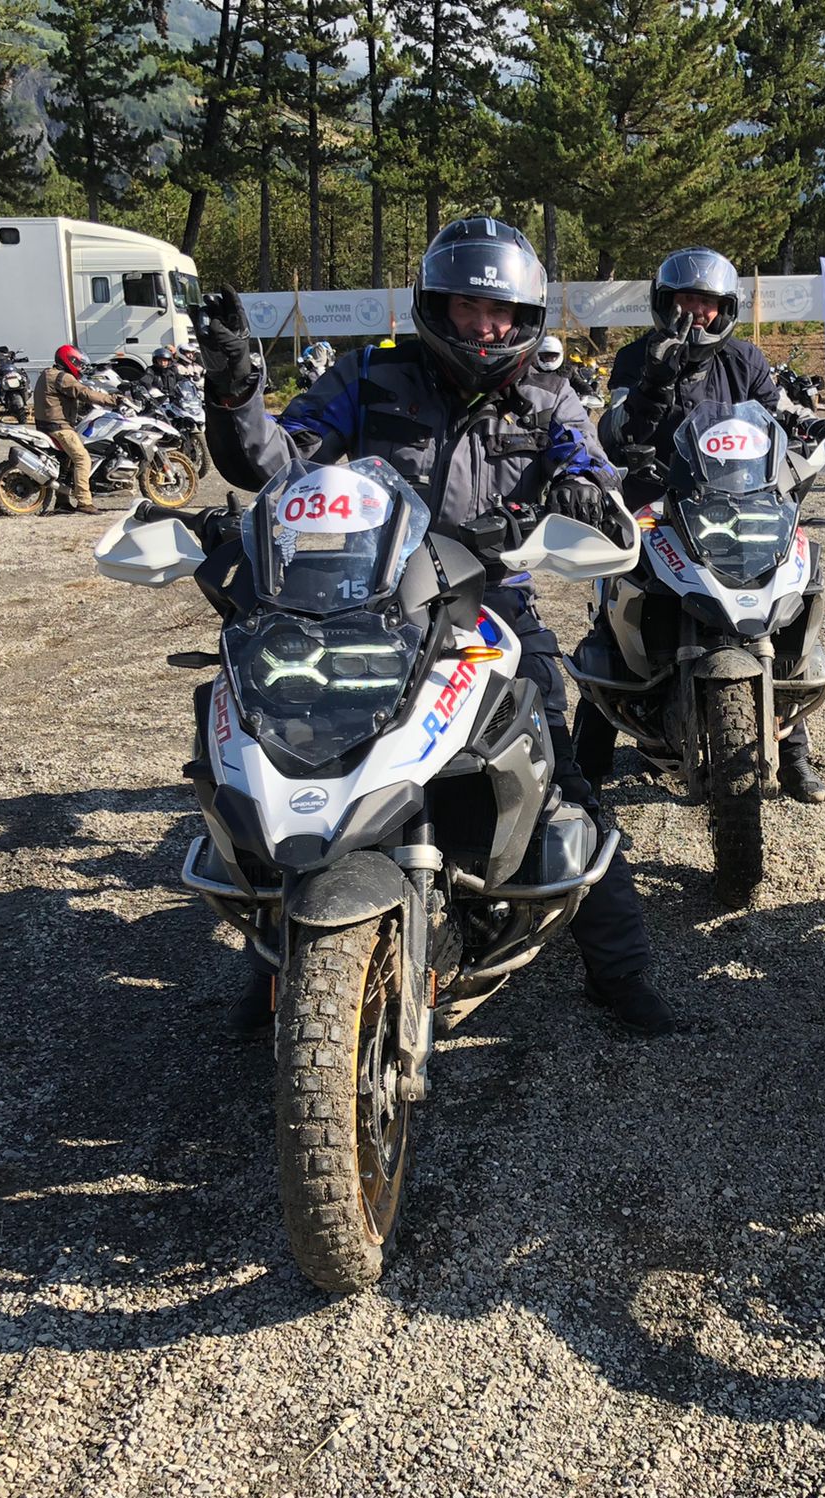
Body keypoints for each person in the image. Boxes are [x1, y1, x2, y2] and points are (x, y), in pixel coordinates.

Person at [197, 216, 680, 1038]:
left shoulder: (546, 395)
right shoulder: (373, 375)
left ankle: (622, 972)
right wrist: (239, 389)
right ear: (436, 306)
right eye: (465, 307)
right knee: (294, 762)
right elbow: (277, 466)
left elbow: (585, 464)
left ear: (524, 321)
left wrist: (589, 492)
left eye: (498, 314)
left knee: (559, 777)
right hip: (367, 602)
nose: (483, 326)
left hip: (491, 603)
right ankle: (280, 960)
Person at [593, 246, 825, 805]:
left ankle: (793, 750)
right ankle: (591, 754)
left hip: (739, 502)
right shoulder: (636, 358)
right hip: (658, 501)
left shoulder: (745, 360)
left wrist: (817, 426)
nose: (694, 313)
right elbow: (616, 427)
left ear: (724, 309)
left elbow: (777, 416)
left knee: (785, 599)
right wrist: (655, 375)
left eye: (705, 302)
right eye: (684, 301)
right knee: (614, 609)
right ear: (664, 304)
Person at [33, 344, 120, 512]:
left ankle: (62, 501)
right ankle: (84, 502)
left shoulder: (48, 373)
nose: (80, 368)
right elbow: (85, 393)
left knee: (66, 462)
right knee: (82, 458)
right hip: (59, 427)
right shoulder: (62, 377)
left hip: (48, 425)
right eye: (78, 363)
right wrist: (113, 400)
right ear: (69, 360)